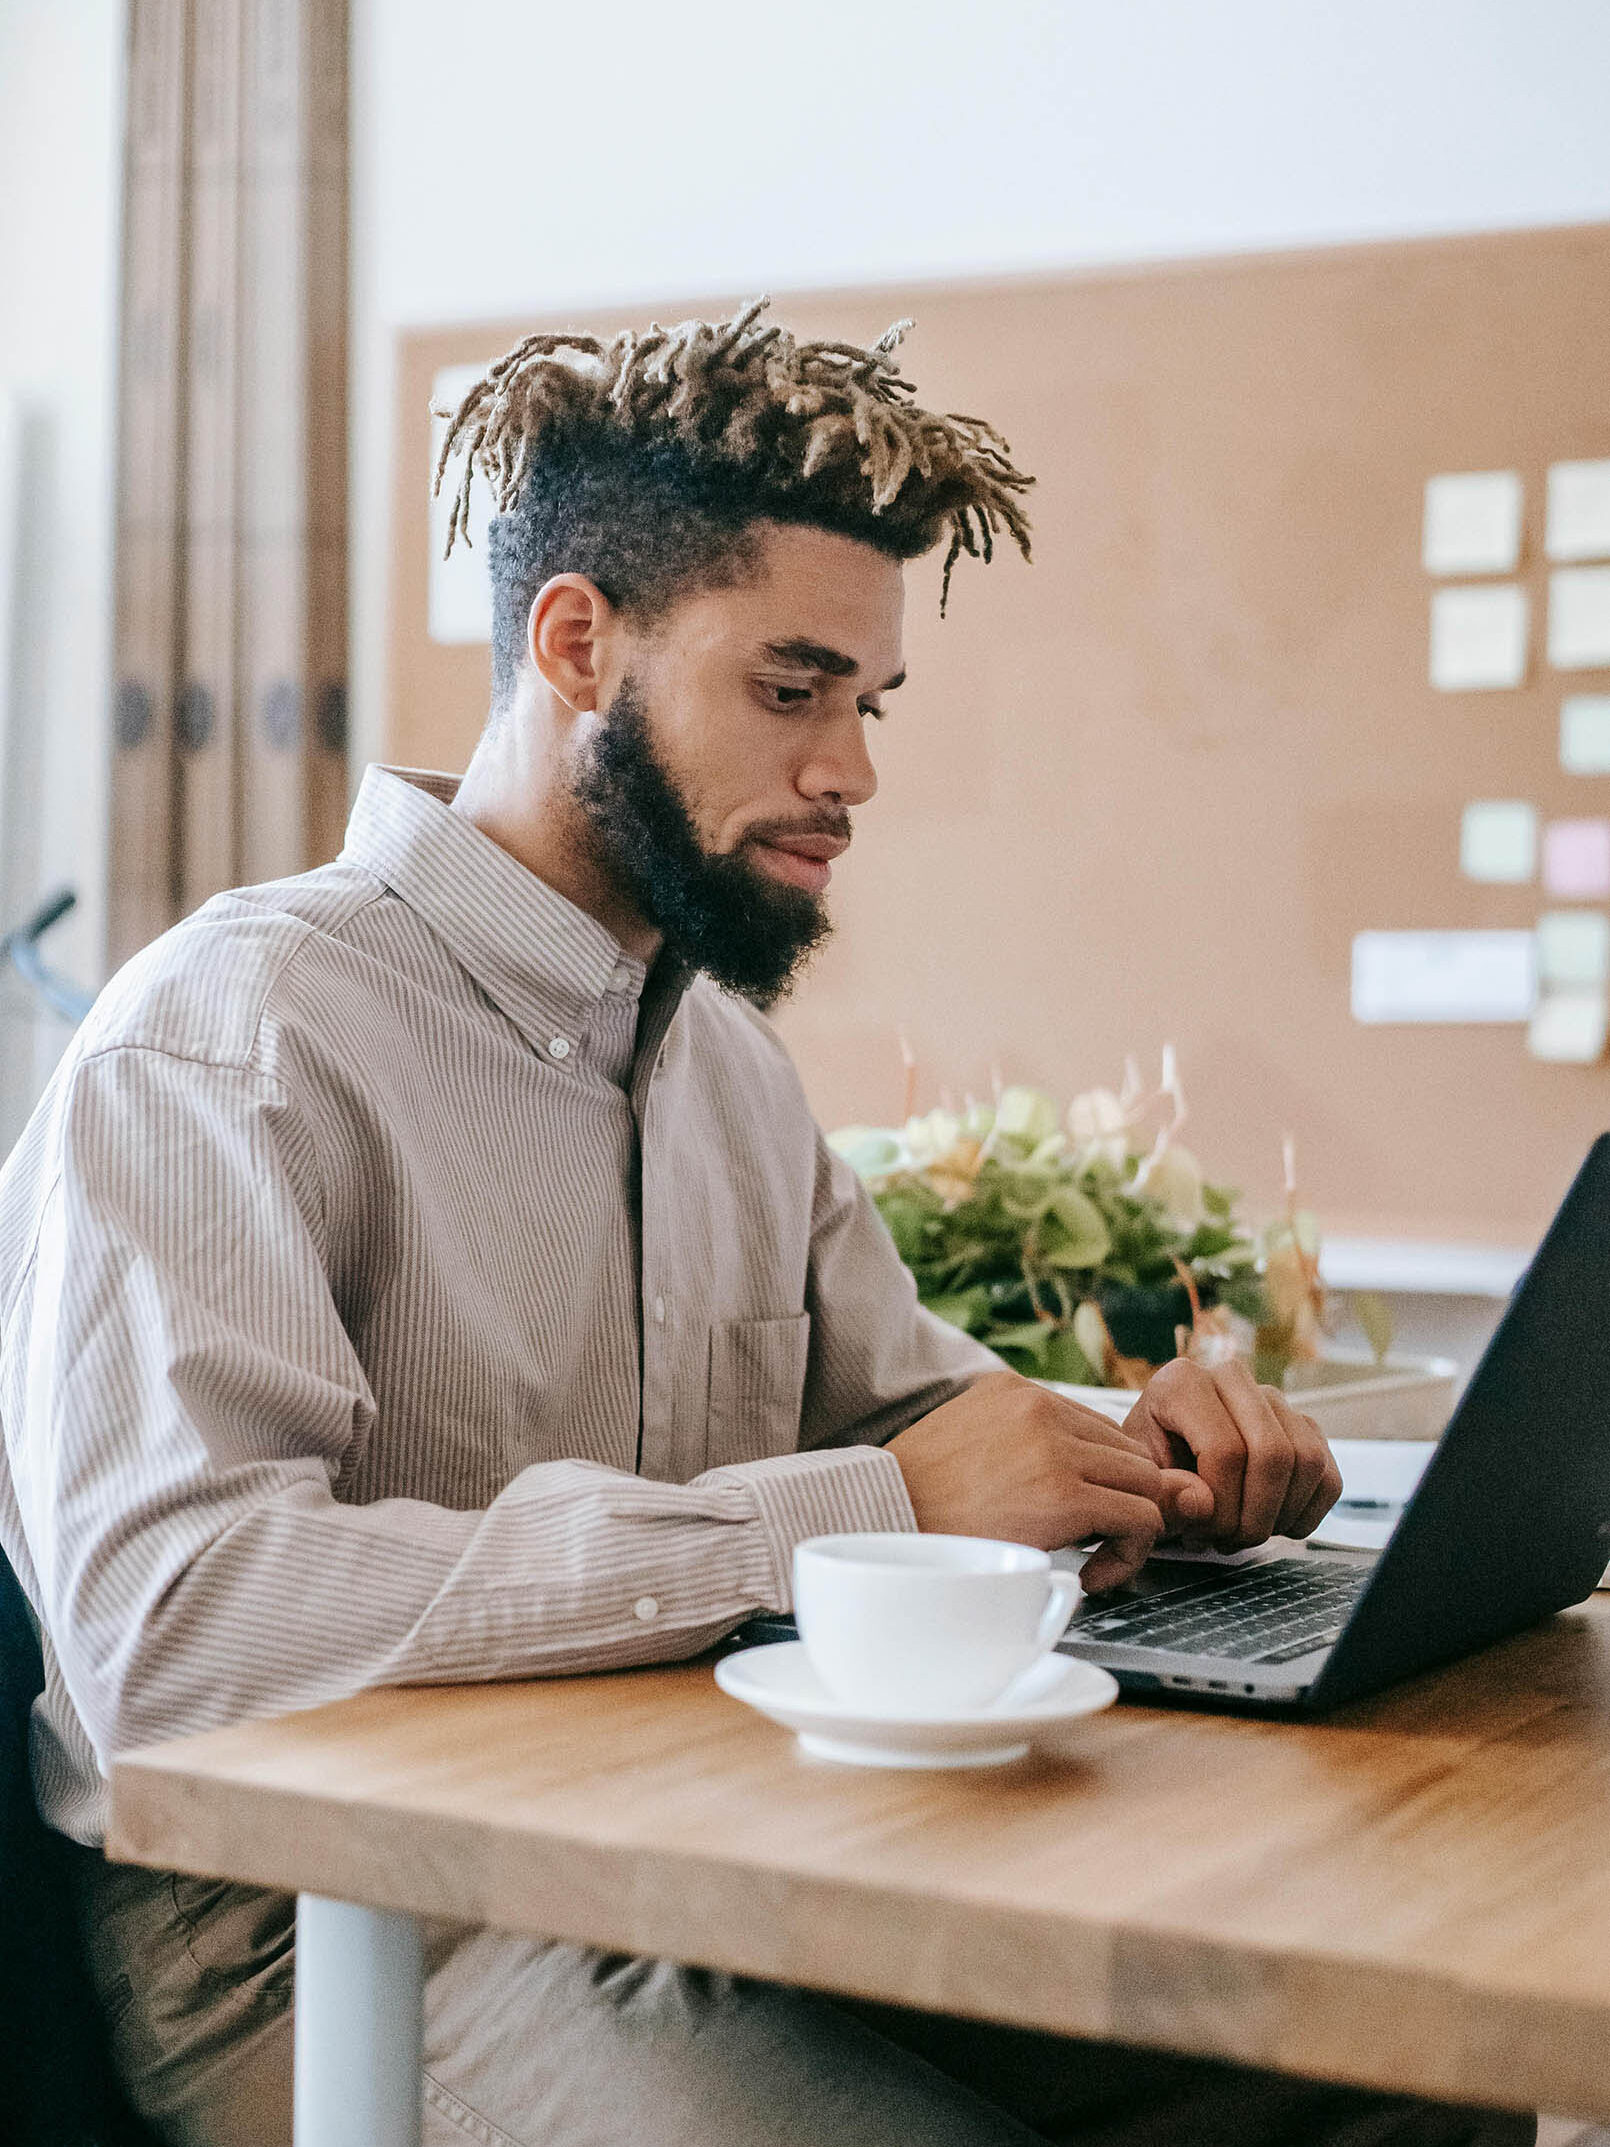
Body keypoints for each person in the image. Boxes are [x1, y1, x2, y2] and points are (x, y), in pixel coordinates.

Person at [0, 300, 1524, 2147]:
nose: (851, 775)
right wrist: (865, 1514)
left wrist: (1141, 1465)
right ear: (577, 643)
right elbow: (181, 1630)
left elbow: (902, 1422)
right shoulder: (230, 1038)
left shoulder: (720, 1062)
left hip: (721, 1838)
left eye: (864, 707)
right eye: (789, 691)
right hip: (337, 1932)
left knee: (1396, 2083)